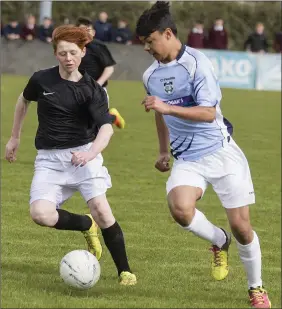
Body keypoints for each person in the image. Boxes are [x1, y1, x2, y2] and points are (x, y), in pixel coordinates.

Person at [136, 2, 270, 307]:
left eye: (150, 41)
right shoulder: (150, 75)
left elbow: (209, 113)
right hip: (188, 159)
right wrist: (161, 149)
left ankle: (256, 288)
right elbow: (159, 112)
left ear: (167, 33)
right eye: (143, 43)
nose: (147, 48)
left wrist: (166, 106)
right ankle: (219, 241)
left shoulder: (198, 63)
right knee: (180, 208)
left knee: (242, 227)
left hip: (221, 153)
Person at [5, 25, 136, 286]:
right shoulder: (42, 80)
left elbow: (107, 129)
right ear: (56, 54)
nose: (68, 58)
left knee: (101, 209)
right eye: (63, 53)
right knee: (41, 214)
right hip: (49, 160)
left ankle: (124, 271)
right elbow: (23, 100)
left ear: (83, 52)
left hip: (84, 155)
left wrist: (89, 153)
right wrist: (15, 136)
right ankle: (86, 225)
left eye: (73, 53)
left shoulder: (92, 89)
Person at [76, 17, 125, 129]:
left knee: (96, 127)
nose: (85, 34)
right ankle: (111, 117)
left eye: (88, 31)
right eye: (81, 31)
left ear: (93, 33)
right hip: (78, 91)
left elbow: (109, 68)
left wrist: (97, 85)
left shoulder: (98, 46)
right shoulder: (73, 48)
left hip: (97, 91)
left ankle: (111, 117)